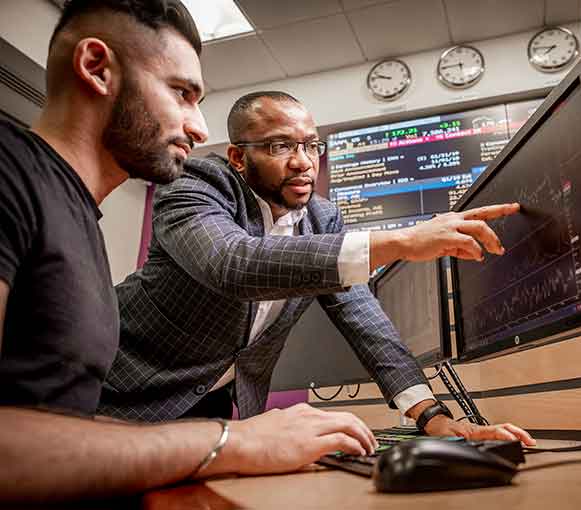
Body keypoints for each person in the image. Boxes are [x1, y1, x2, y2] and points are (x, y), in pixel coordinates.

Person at [0, 0, 395, 503]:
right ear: (97, 69)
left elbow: (55, 422)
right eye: (182, 93)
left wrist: (431, 413)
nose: (199, 127)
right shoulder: (10, 172)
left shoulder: (74, 214)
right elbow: (231, 262)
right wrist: (233, 442)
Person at [100, 91, 536, 445]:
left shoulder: (323, 219)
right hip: (120, 393)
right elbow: (233, 265)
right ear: (237, 157)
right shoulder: (197, 184)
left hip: (213, 409)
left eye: (311, 145)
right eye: (280, 146)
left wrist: (435, 420)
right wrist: (402, 241)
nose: (304, 161)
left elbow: (365, 322)